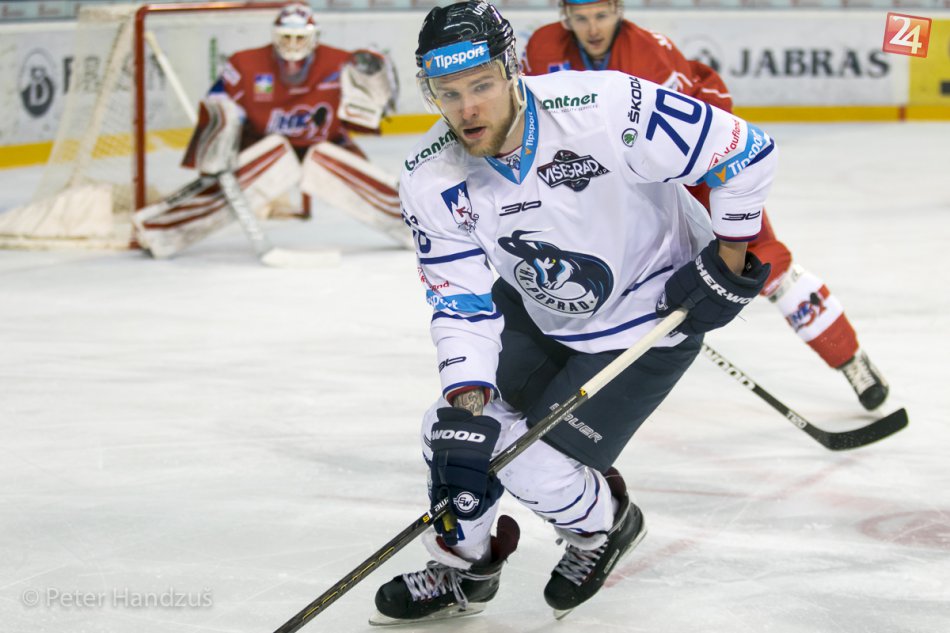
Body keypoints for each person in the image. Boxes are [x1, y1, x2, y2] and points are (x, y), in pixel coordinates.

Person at [372, 0, 777, 623]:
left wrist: (728, 259)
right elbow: (460, 301)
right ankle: (466, 568)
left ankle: (604, 526)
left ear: (512, 69)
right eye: (448, 93)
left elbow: (745, 150)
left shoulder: (605, 106)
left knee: (532, 465)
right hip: (537, 303)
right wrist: (469, 402)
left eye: (481, 85)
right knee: (451, 436)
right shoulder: (431, 176)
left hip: (651, 313)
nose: (467, 108)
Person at [523, 0, 889, 411]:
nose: (592, 29)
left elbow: (679, 149)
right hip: (607, 175)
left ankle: (849, 357)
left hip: (697, 169)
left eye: (601, 16)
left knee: (765, 262)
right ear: (565, 16)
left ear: (618, 10)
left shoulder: (649, 56)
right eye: (581, 18)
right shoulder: (542, 48)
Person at [135, 2, 409, 257]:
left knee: (354, 174)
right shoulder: (246, 64)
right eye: (286, 37)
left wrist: (376, 89)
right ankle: (160, 232)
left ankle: (417, 226)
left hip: (326, 143)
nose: (293, 45)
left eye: (300, 38)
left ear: (314, 37)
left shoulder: (341, 64)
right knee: (254, 169)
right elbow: (218, 104)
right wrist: (222, 131)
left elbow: (366, 118)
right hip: (263, 144)